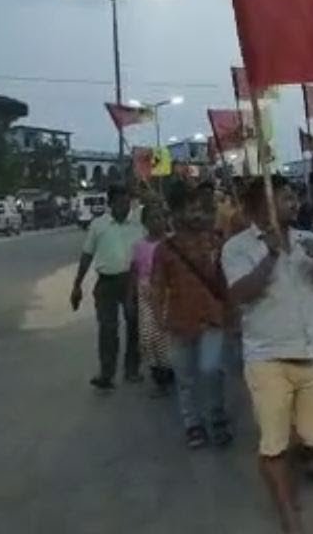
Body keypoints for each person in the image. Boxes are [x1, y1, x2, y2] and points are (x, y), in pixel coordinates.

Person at [223, 176, 313, 533]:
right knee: (274, 443)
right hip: (267, 358)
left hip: (312, 353)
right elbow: (240, 293)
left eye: (293, 197)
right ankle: (288, 513)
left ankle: (298, 460)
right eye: (285, 198)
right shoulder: (237, 247)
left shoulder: (308, 239)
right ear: (259, 206)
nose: (294, 203)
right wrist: (271, 256)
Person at [154, 184, 231, 449]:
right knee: (185, 377)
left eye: (199, 209)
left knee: (212, 370)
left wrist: (232, 313)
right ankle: (193, 425)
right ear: (176, 214)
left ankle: (217, 419)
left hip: (212, 319)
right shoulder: (165, 249)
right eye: (190, 209)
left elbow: (225, 280)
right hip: (179, 321)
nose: (197, 214)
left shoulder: (214, 242)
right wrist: (159, 318)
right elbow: (157, 287)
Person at [71, 185, 145, 390]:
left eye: (127, 202)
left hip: (132, 282)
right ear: (111, 204)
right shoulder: (99, 225)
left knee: (134, 325)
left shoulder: (138, 225)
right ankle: (106, 373)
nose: (124, 206)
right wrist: (77, 284)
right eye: (120, 202)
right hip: (106, 283)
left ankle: (132, 369)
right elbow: (87, 255)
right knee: (107, 328)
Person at [131, 203, 174, 398]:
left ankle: (168, 375)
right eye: (152, 219)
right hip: (146, 292)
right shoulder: (139, 246)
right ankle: (158, 373)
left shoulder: (172, 243)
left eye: (160, 218)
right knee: (148, 336)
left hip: (168, 292)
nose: (157, 222)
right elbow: (134, 271)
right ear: (144, 222)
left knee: (166, 336)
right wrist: (131, 296)